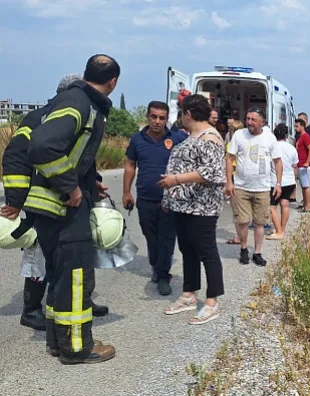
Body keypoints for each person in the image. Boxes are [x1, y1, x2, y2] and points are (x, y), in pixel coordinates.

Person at [24, 54, 120, 364]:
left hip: (53, 208)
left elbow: (72, 152)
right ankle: (77, 347)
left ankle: (57, 342)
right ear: (113, 82)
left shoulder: (75, 100)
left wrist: (91, 183)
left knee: (61, 276)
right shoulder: (81, 103)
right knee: (76, 278)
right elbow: (42, 145)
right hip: (63, 207)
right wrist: (72, 186)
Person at [1, 73, 109, 331]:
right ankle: (30, 310)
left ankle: (81, 299)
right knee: (39, 254)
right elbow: (15, 158)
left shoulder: (79, 115)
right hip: (42, 203)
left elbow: (82, 157)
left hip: (73, 202)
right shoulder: (40, 118)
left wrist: (92, 183)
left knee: (76, 257)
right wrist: (15, 201)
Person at [159, 94, 226, 325]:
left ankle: (212, 302)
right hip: (184, 204)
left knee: (206, 251)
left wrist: (175, 179)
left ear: (188, 113)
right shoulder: (193, 135)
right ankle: (189, 294)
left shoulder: (210, 137)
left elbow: (213, 174)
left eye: (181, 114)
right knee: (187, 250)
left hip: (202, 206)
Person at [123, 101, 188, 296]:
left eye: (162, 118)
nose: (157, 121)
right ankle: (156, 265)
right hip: (145, 198)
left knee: (166, 238)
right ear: (148, 117)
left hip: (170, 200)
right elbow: (130, 166)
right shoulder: (137, 140)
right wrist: (126, 192)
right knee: (151, 237)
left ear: (167, 119)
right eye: (154, 117)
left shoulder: (176, 139)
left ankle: (162, 275)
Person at [225, 107, 283, 266]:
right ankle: (244, 249)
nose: (249, 122)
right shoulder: (239, 135)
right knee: (242, 221)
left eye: (253, 119)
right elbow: (229, 159)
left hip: (262, 188)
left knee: (259, 222)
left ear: (262, 122)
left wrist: (278, 183)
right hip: (241, 187)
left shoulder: (270, 138)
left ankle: (257, 252)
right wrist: (229, 182)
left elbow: (278, 162)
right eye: (248, 119)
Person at [266, 124, 298, 240]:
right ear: (286, 135)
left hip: (275, 181)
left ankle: (279, 231)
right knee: (285, 204)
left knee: (272, 207)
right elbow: (295, 165)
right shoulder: (291, 148)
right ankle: (282, 229)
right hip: (289, 181)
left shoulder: (272, 147)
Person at [225, 117, 244, 245]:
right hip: (245, 178)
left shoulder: (230, 145)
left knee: (236, 211)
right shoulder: (247, 143)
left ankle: (239, 237)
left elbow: (228, 164)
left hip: (234, 177)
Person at [295, 118, 310, 213]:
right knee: (303, 186)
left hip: (305, 166)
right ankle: (305, 205)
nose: (295, 128)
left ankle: (308, 206)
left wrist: (307, 162)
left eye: (297, 126)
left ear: (302, 126)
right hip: (301, 165)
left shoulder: (306, 136)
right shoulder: (300, 137)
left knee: (306, 186)